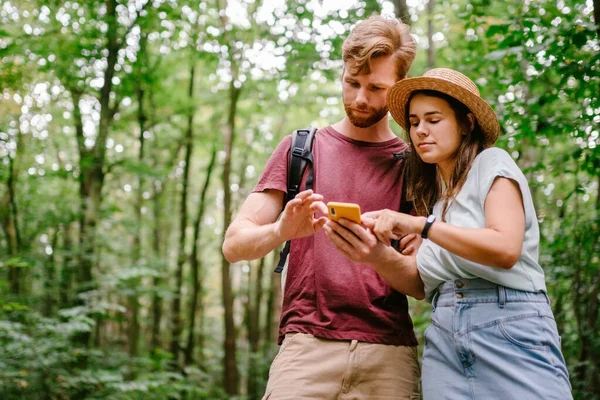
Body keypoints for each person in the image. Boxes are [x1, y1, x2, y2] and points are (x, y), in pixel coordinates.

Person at [332, 67, 572, 399]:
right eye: (414, 123)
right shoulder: (437, 204)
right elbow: (418, 284)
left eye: (433, 119)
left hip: (510, 325)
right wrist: (373, 252)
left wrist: (422, 227)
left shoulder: (492, 164)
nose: (420, 132)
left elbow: (505, 248)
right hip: (444, 337)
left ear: (466, 123)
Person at [222, 15, 422, 400]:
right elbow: (234, 245)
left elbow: (419, 283)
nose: (360, 98)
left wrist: (377, 256)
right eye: (352, 83)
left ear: (399, 88)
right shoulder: (301, 149)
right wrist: (281, 231)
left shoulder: (415, 165)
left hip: (389, 353)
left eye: (376, 88)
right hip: (305, 350)